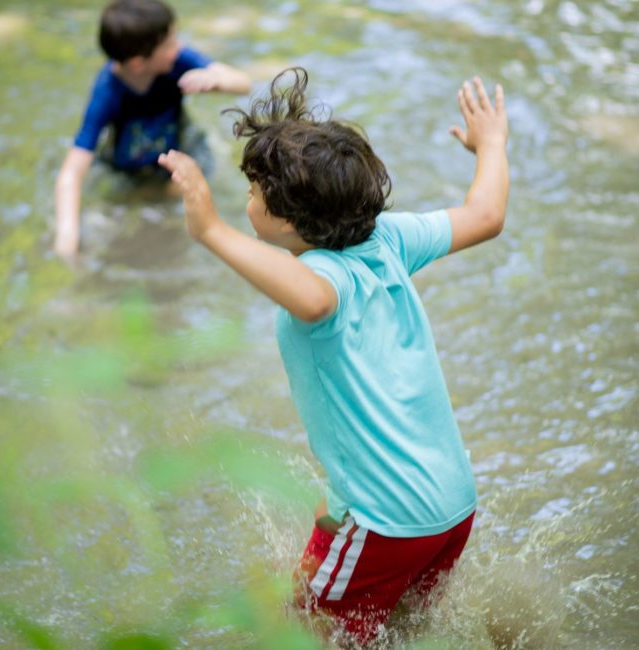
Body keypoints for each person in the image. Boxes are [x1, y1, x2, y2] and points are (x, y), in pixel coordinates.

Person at [159, 67, 509, 646]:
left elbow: (314, 299)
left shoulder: (319, 278)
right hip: (450, 506)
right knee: (400, 628)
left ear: (289, 218)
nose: (245, 199)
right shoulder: (389, 239)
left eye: (251, 193)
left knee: (303, 634)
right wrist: (492, 146)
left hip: (388, 520)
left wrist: (211, 231)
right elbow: (486, 215)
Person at [53, 0, 251, 258]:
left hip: (180, 150)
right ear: (137, 62)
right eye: (168, 43)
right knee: (113, 214)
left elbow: (243, 83)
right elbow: (71, 172)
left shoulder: (178, 62)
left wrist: (217, 80)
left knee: (180, 188)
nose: (177, 47)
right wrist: (67, 238)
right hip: (128, 164)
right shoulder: (107, 93)